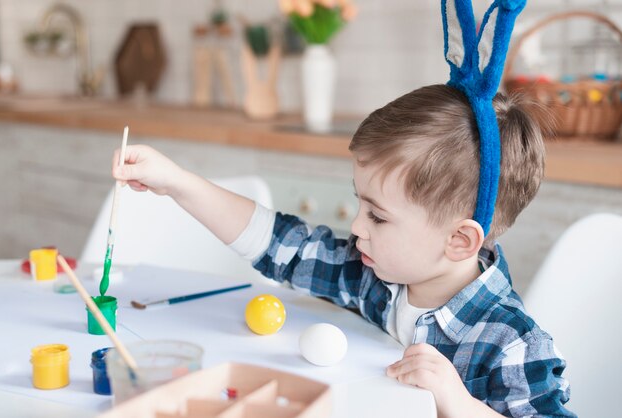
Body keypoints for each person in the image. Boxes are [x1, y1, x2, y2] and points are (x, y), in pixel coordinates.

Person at [112, 84, 573, 418]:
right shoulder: (372, 274)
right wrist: (175, 181)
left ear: (459, 241)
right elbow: (278, 245)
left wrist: (460, 404)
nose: (356, 227)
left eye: (378, 216)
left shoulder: (512, 345)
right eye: (360, 204)